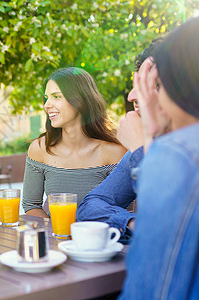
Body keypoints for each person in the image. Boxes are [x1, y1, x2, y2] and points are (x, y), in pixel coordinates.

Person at [120, 17, 199, 299]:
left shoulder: (177, 155)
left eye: (154, 83)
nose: (135, 96)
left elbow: (152, 289)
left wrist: (147, 149)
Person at [76, 38, 167, 242]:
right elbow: (90, 206)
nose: (132, 95)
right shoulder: (152, 143)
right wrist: (132, 224)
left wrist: (139, 149)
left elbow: (167, 232)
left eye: (151, 83)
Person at [22, 67, 126, 218]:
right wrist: (59, 234)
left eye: (56, 97)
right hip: (58, 239)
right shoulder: (39, 149)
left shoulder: (115, 152)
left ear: (81, 100)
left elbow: (124, 211)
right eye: (46, 98)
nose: (46, 105)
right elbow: (31, 205)